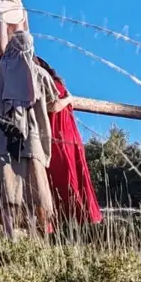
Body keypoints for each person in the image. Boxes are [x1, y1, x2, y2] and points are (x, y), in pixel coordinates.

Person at [0, 30, 63, 236]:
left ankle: (9, 234)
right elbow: (53, 104)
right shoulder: (39, 74)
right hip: (31, 140)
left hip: (0, 138)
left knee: (6, 188)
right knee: (33, 189)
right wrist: (69, 100)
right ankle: (35, 235)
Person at [34, 55, 102, 226]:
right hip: (68, 134)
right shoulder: (58, 83)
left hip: (58, 134)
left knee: (61, 174)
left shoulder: (42, 80)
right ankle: (79, 217)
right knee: (72, 173)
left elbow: (54, 106)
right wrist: (69, 99)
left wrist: (67, 100)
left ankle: (62, 218)